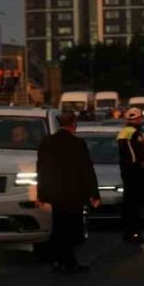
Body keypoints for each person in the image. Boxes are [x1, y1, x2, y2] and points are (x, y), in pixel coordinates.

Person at [36, 111, 100, 273]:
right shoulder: (77, 143)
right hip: (74, 193)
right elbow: (87, 169)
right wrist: (94, 194)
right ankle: (69, 262)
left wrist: (40, 193)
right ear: (74, 124)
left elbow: (41, 169)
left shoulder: (46, 142)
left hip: (55, 193)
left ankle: (59, 260)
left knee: (58, 227)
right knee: (72, 229)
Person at [117, 108, 144, 244]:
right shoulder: (135, 134)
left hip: (126, 172)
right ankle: (135, 233)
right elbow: (139, 156)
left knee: (128, 204)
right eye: (139, 118)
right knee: (137, 204)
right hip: (135, 173)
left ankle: (128, 233)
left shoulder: (123, 132)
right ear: (138, 119)